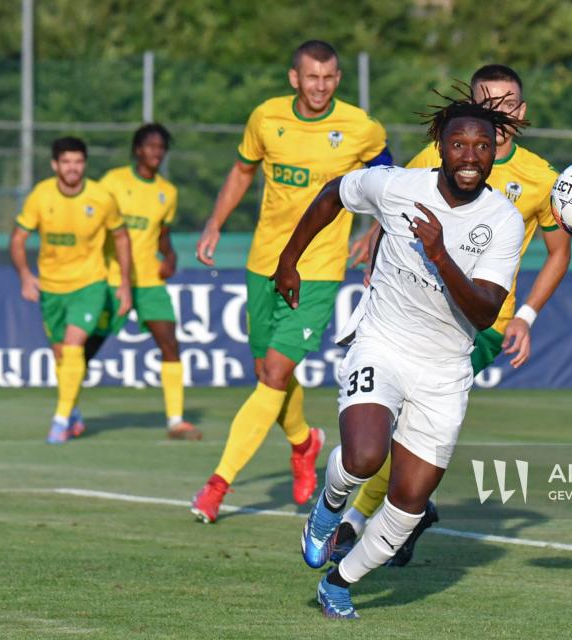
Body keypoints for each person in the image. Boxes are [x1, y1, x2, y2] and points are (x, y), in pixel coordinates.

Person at [277, 90, 527, 618]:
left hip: (444, 370)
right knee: (365, 456)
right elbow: (334, 193)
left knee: (410, 501)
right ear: (440, 146)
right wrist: (289, 258)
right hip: (383, 343)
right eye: (458, 143)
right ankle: (327, 509)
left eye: (481, 146)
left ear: (493, 154)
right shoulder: (397, 187)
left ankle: (339, 583)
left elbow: (484, 312)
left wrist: (438, 254)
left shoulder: (503, 221)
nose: (469, 155)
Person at [333, 64, 572, 566]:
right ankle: (404, 510)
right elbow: (400, 197)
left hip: (479, 322)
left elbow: (558, 252)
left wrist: (526, 315)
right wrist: (373, 245)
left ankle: (360, 519)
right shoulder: (449, 147)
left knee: (402, 420)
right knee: (390, 419)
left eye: (507, 102)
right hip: (410, 308)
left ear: (522, 111)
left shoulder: (540, 178)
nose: (497, 110)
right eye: (487, 99)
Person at [190, 40, 392, 522]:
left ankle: (218, 485)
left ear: (338, 79)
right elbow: (242, 171)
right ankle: (305, 442)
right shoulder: (266, 118)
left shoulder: (361, 128)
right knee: (268, 375)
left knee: (277, 373)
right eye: (311, 77)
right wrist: (216, 222)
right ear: (294, 79)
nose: (320, 86)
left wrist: (373, 231)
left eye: (329, 77)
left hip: (319, 268)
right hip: (264, 263)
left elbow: (390, 183)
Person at [9, 136, 133, 444]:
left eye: (78, 162)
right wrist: (25, 275)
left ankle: (60, 420)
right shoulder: (40, 196)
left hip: (90, 284)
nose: (73, 168)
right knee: (62, 354)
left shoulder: (101, 197)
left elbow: (121, 237)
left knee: (75, 346)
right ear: (55, 165)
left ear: (85, 164)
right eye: (66, 162)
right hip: (51, 288)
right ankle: (73, 409)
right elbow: (17, 239)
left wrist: (126, 283)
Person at [83, 123, 201, 440]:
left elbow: (163, 234)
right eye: (150, 146)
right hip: (111, 278)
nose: (156, 152)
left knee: (170, 343)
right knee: (89, 345)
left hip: (149, 280)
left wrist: (171, 256)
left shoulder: (167, 192)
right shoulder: (113, 182)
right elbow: (94, 223)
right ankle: (69, 411)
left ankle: (176, 421)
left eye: (161, 147)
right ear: (137, 149)